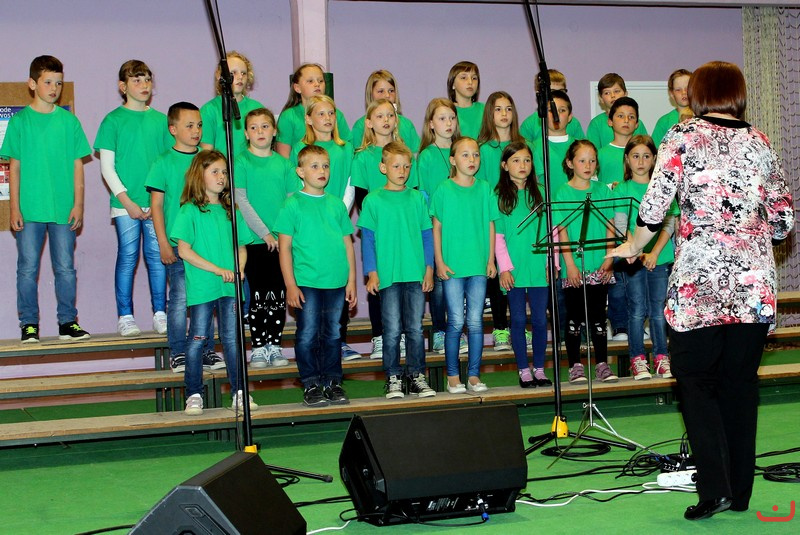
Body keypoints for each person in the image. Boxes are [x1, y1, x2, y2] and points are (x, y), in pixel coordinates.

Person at [611, 61, 793, 521]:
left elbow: (654, 207)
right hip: (752, 286)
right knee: (739, 386)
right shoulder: (760, 141)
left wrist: (632, 245)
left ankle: (714, 490)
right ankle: (741, 491)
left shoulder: (682, 136)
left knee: (696, 383)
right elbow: (784, 222)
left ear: (700, 95)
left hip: (699, 286)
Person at [0, 55, 91, 343]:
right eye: (48, 82)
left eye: (58, 83)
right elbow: (14, 168)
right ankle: (29, 324)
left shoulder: (69, 122)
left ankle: (68, 322)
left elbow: (78, 166)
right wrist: (14, 208)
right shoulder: (20, 122)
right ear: (32, 84)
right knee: (27, 269)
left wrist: (78, 205)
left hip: (64, 210)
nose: (54, 88)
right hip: (29, 210)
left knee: (65, 268)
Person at [170, 150, 256, 415]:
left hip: (229, 288)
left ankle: (239, 392)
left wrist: (239, 268)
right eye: (215, 171)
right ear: (200, 175)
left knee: (232, 339)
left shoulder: (232, 211)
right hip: (203, 287)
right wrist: (218, 270)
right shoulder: (189, 210)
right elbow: (184, 251)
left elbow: (241, 247)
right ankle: (194, 394)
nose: (221, 177)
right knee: (197, 339)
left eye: (224, 172)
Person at [275, 145, 357, 407]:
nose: (322, 170)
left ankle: (332, 382)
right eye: (314, 166)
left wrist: (351, 280)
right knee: (308, 333)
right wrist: (290, 285)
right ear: (300, 171)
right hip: (307, 282)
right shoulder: (292, 205)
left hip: (336, 282)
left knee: (333, 334)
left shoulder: (336, 205)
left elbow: (347, 244)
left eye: (325, 165)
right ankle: (311, 383)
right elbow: (285, 248)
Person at [95, 60, 172, 338]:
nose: (143, 85)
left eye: (147, 79)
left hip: (156, 203)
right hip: (124, 204)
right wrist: (126, 201)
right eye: (136, 80)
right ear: (123, 86)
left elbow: (167, 164)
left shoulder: (162, 121)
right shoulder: (112, 120)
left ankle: (160, 313)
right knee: (127, 256)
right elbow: (107, 168)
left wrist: (156, 201)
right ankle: (125, 316)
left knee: (157, 257)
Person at [145, 102, 223, 372]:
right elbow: (156, 206)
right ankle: (178, 352)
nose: (196, 130)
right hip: (178, 247)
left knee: (207, 299)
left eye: (199, 125)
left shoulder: (208, 159)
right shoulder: (163, 161)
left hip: (207, 247)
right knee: (179, 299)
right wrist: (163, 243)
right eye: (189, 125)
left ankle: (207, 350)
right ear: (173, 129)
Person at [358, 142, 436, 399]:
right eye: (396, 166)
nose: (402, 171)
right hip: (388, 276)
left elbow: (427, 236)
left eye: (406, 166)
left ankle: (416, 375)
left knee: (414, 329)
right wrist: (372, 272)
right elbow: (367, 240)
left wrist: (428, 269)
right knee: (391, 330)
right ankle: (393, 377)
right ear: (383, 168)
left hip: (415, 275)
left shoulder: (417, 198)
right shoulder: (373, 200)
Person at [287, 95, 358, 360]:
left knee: (336, 294)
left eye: (331, 113)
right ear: (308, 119)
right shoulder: (300, 148)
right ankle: (312, 365)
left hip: (336, 217)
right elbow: (297, 190)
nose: (327, 118)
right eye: (321, 113)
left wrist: (338, 211)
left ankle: (339, 345)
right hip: (310, 227)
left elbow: (350, 184)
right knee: (311, 314)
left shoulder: (345, 148)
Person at [431, 137, 499, 393]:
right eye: (465, 155)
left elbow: (491, 225)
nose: (472, 159)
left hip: (478, 266)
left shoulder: (484, 188)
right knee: (456, 322)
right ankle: (452, 377)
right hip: (452, 268)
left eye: (476, 155)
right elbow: (436, 228)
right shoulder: (443, 189)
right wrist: (439, 261)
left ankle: (473, 375)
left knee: (476, 322)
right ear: (452, 160)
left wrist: (490, 259)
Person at [234, 108, 298, 368]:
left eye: (265, 126)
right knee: (259, 295)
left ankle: (275, 344)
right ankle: (259, 347)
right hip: (255, 241)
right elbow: (241, 200)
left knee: (278, 295)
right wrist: (264, 233)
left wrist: (281, 234)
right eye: (254, 127)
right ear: (246, 133)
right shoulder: (241, 162)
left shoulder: (285, 165)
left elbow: (291, 202)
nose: (259, 131)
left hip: (281, 242)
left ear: (274, 131)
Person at [352, 98, 413, 360]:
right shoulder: (363, 157)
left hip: (404, 232)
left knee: (404, 282)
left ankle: (402, 335)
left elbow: (414, 193)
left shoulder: (406, 155)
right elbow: (361, 198)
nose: (386, 120)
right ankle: (379, 336)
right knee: (378, 281)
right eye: (379, 116)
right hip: (378, 231)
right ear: (369, 123)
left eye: (390, 115)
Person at [612, 135, 677, 380]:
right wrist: (636, 250)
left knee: (658, 311)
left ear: (654, 159)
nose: (641, 161)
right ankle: (638, 359)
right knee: (637, 309)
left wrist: (655, 252)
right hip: (633, 261)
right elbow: (621, 224)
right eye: (635, 156)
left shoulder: (662, 189)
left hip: (659, 258)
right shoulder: (622, 189)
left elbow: (668, 225)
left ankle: (661, 357)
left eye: (646, 156)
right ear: (627, 159)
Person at [555, 140, 618, 384]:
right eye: (582, 160)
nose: (588, 165)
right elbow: (562, 231)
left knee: (598, 317)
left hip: (599, 264)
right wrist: (570, 264)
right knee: (574, 317)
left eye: (592, 160)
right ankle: (575, 366)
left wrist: (609, 258)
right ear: (570, 163)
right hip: (574, 267)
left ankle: (602, 364)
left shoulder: (603, 190)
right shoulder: (562, 192)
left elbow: (610, 225)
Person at [495, 142, 552, 388]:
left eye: (527, 160)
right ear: (505, 165)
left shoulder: (541, 193)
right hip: (513, 269)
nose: (522, 165)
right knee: (518, 320)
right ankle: (523, 370)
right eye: (516, 160)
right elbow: (497, 236)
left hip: (539, 267)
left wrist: (552, 263)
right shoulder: (499, 196)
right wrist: (504, 268)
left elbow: (552, 231)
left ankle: (539, 368)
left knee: (539, 320)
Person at [476, 91, 530, 351]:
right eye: (498, 109)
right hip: (496, 216)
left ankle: (519, 326)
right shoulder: (484, 149)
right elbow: (481, 186)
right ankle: (500, 328)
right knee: (499, 272)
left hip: (520, 219)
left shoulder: (523, 144)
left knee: (521, 273)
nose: (504, 114)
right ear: (490, 114)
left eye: (508, 108)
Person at [416, 98, 467, 354]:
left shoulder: (463, 151)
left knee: (460, 279)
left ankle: (459, 329)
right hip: (437, 227)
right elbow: (423, 194)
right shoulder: (426, 156)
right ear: (431, 124)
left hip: (461, 229)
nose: (448, 123)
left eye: (452, 118)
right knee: (438, 283)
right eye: (442, 118)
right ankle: (439, 331)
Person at [275, 63, 351, 157]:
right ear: (297, 88)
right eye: (310, 81)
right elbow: (284, 158)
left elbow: (348, 149)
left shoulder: (336, 115)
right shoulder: (289, 116)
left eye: (321, 81)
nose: (317, 84)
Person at [199, 51, 264, 160]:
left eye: (243, 73)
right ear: (219, 76)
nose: (240, 77)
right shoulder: (209, 110)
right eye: (233, 73)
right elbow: (206, 153)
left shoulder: (257, 108)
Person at [350, 70, 420, 153]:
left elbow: (416, 154)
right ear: (371, 94)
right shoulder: (360, 126)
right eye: (381, 91)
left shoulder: (406, 125)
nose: (387, 95)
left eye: (391, 91)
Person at [520, 69, 585, 143]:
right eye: (552, 92)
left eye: (561, 92)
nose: (556, 97)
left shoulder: (573, 123)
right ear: (540, 95)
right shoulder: (530, 124)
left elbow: (582, 146)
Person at [585, 73, 648, 150]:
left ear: (625, 94)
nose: (613, 96)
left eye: (617, 91)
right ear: (601, 99)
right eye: (607, 93)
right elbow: (592, 152)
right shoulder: (596, 124)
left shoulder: (636, 123)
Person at [532, 89, 577, 195]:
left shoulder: (579, 146)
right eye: (551, 110)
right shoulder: (534, 147)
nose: (556, 114)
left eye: (562, 110)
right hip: (546, 204)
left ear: (570, 117)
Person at [597, 96, 640, 187]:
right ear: (610, 121)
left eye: (631, 117)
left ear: (636, 124)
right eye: (621, 116)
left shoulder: (644, 155)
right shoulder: (599, 154)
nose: (626, 120)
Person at [651, 69, 692, 146]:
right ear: (672, 94)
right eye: (678, 90)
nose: (683, 93)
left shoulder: (703, 117)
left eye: (687, 88)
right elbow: (655, 149)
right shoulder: (664, 122)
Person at [447, 61, 483, 139]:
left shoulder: (486, 110)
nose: (470, 82)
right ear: (453, 84)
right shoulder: (445, 111)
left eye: (474, 78)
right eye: (463, 78)